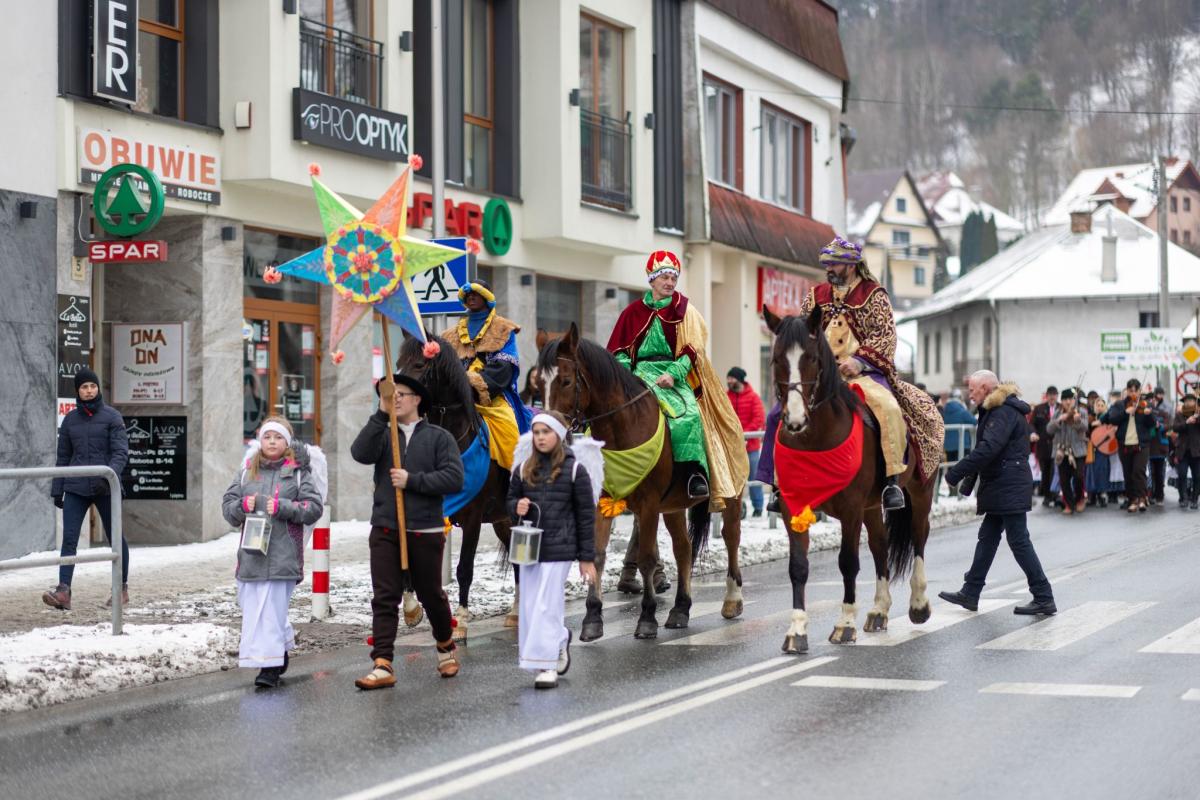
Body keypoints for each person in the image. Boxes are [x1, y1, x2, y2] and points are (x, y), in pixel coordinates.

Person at [756, 237, 943, 512]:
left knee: (888, 408)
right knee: (776, 415)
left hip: (864, 373)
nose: (829, 269)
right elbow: (803, 334)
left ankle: (891, 481)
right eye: (827, 263)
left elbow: (886, 335)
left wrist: (859, 361)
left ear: (852, 265)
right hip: (821, 376)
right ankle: (778, 483)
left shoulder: (874, 294)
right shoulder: (816, 295)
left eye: (835, 264)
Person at [608, 250, 749, 592]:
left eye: (673, 277)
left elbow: (692, 350)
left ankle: (693, 476)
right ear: (651, 280)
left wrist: (674, 373)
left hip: (672, 378)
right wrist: (626, 375)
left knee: (687, 417)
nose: (670, 282)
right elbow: (619, 352)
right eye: (664, 277)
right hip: (637, 377)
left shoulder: (685, 310)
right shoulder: (632, 312)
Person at [351, 372, 465, 689]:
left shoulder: (439, 437)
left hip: (425, 529)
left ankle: (445, 644)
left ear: (417, 400)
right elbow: (360, 453)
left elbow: (454, 478)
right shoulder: (382, 433)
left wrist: (412, 481)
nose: (395, 398)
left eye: (401, 393)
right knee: (385, 597)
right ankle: (382, 663)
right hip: (385, 526)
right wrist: (380, 414)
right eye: (390, 393)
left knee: (431, 595)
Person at [939, 370, 1056, 616]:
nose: (970, 395)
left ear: (985, 388)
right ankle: (971, 592)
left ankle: (1044, 596)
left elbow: (988, 449)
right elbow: (990, 450)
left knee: (1018, 541)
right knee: (988, 537)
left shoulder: (1002, 411)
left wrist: (955, 472)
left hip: (1008, 484)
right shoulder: (997, 409)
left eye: (973, 390)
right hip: (1002, 483)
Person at [221, 417, 323, 689]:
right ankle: (281, 647)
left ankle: (270, 667)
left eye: (278, 438)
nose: (272, 442)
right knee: (254, 609)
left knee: (270, 610)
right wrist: (242, 505)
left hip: (283, 555)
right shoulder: (247, 471)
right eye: (267, 437)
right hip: (251, 556)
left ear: (286, 443)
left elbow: (313, 507)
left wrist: (282, 507)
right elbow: (228, 507)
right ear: (260, 441)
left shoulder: (298, 472)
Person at [507, 411, 598, 689]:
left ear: (558, 435)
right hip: (529, 549)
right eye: (536, 432)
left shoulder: (575, 470)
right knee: (530, 606)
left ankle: (546, 665)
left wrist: (587, 558)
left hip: (560, 548)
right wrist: (516, 506)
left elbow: (586, 516)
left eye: (546, 432)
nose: (540, 438)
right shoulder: (523, 469)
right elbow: (510, 500)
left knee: (547, 605)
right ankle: (559, 638)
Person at [44, 368, 130, 611]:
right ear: (78, 391)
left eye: (92, 386)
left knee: (115, 537)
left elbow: (121, 453)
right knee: (69, 538)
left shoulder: (113, 417)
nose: (89, 390)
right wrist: (57, 488)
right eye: (84, 387)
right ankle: (63, 591)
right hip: (76, 486)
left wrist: (108, 475)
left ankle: (121, 588)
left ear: (98, 388)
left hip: (106, 487)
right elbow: (63, 457)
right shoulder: (70, 420)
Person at [440, 280, 532, 470]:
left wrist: (472, 383)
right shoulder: (449, 335)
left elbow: (504, 368)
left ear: (487, 298)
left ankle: (515, 475)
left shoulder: (504, 329)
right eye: (468, 295)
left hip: (493, 397)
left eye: (476, 293)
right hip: (454, 395)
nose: (471, 297)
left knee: (509, 429)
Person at [1103, 380, 1155, 514]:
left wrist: (1148, 415)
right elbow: (1112, 418)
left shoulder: (1145, 404)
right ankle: (1132, 500)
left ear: (1140, 391)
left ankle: (1142, 498)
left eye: (1136, 390)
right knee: (1128, 472)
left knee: (1139, 470)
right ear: (1127, 391)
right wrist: (1126, 412)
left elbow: (1152, 424)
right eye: (1131, 390)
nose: (1133, 393)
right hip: (1124, 443)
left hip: (1141, 443)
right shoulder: (1119, 404)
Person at [726, 366, 766, 518]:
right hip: (732, 446)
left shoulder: (753, 397)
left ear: (740, 380)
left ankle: (758, 507)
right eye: (728, 378)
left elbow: (759, 418)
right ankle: (734, 507)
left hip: (751, 446)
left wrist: (745, 435)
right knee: (732, 478)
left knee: (754, 476)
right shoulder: (725, 397)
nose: (729, 381)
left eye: (731, 378)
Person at [1047, 388, 1088, 514]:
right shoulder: (1058, 413)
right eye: (1065, 399)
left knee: (1079, 476)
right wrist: (1059, 419)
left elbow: (1085, 427)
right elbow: (1049, 429)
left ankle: (1080, 499)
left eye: (1070, 399)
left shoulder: (1081, 411)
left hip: (1078, 450)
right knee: (1064, 480)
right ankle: (1069, 504)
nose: (1068, 402)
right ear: (1062, 401)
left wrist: (1078, 421)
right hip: (1061, 450)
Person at [1030, 386, 1059, 506]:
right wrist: (1033, 433)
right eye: (1050, 395)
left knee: (1055, 471)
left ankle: (1055, 495)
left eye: (1054, 395)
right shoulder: (1039, 408)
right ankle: (1047, 496)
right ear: (1047, 396)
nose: (1052, 397)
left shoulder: (1061, 408)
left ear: (1057, 396)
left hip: (1057, 445)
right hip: (1043, 445)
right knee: (1045, 472)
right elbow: (1032, 424)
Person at [1172, 394, 1200, 509]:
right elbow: (1175, 427)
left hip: (1196, 451)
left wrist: (1197, 418)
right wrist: (1186, 422)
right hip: (1182, 451)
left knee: (1197, 476)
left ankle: (1194, 499)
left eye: (1191, 400)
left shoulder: (1198, 413)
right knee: (1182, 475)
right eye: (1186, 401)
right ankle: (1183, 498)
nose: (1188, 402)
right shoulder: (1179, 414)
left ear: (1195, 402)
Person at [1086, 395, 1114, 508]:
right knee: (1091, 471)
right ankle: (1091, 495)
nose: (1100, 407)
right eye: (1098, 405)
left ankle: (1102, 494)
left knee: (1102, 471)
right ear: (1094, 406)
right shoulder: (1090, 418)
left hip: (1103, 448)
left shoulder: (1108, 418)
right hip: (1091, 448)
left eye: (1102, 405)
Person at [1147, 387, 1171, 505]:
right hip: (1149, 447)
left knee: (1159, 473)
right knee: (1150, 473)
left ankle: (1159, 495)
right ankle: (1150, 494)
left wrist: (1159, 426)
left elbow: (1168, 425)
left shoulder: (1164, 413)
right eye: (1150, 400)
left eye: (1154, 400)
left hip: (1161, 447)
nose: (1152, 402)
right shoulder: (1146, 414)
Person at [942, 387, 976, 464]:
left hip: (949, 446)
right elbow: (974, 421)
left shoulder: (945, 411)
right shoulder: (962, 412)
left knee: (951, 467)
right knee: (963, 467)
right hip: (962, 445)